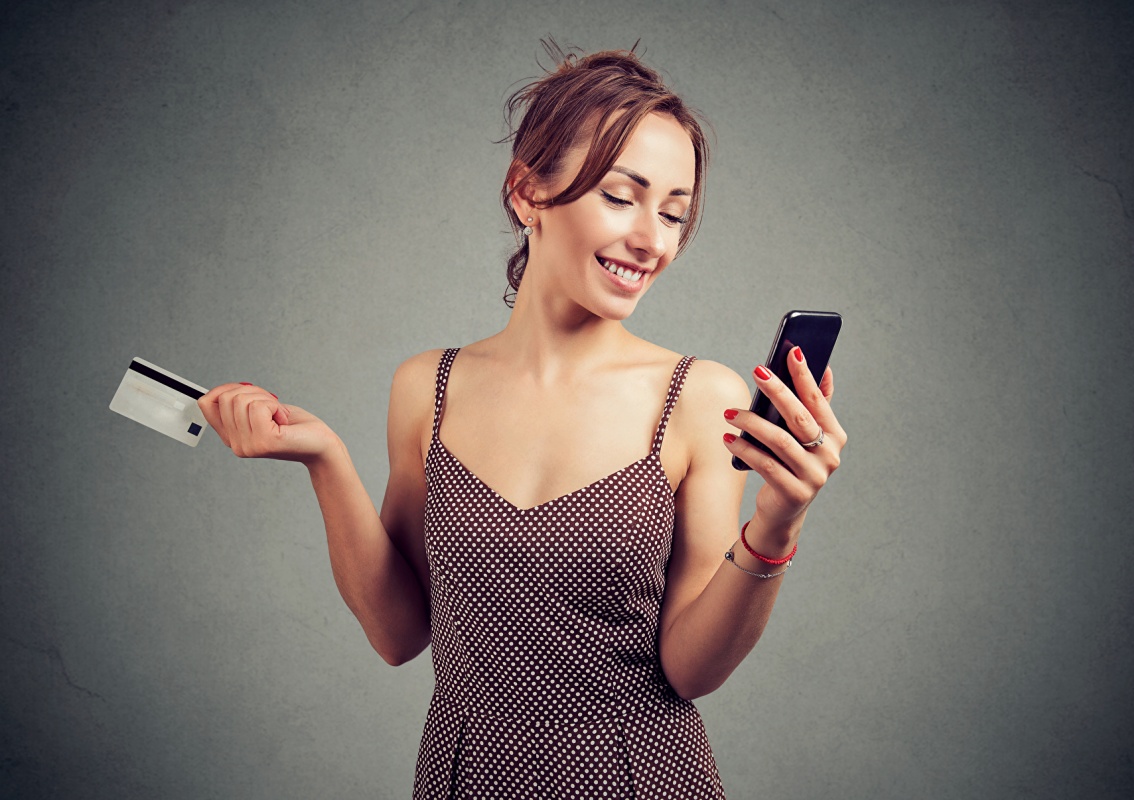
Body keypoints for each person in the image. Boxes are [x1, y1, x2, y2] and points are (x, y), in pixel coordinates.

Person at [197, 42, 846, 800]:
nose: (653, 240)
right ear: (526, 192)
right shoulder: (426, 388)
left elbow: (691, 671)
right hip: (466, 776)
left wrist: (776, 527)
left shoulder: (699, 397)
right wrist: (326, 461)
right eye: (620, 196)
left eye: (674, 213)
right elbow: (399, 634)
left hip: (640, 778)